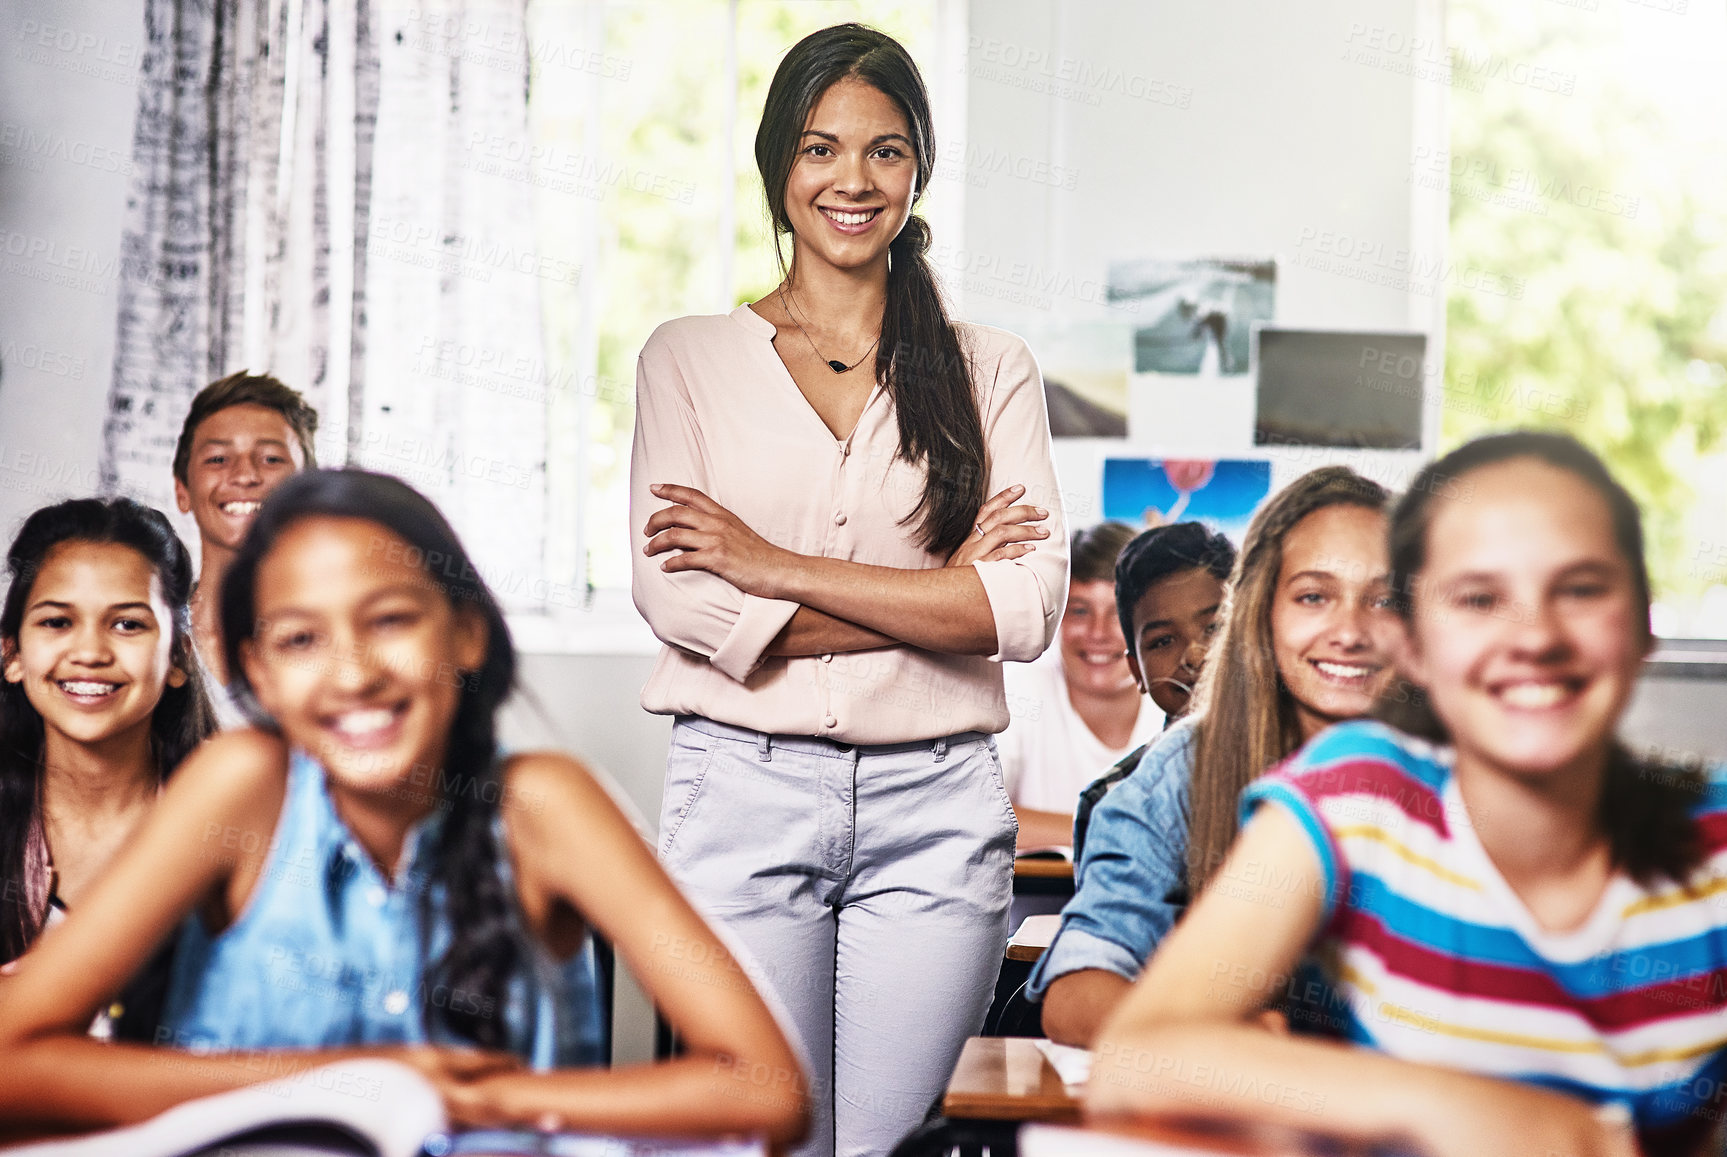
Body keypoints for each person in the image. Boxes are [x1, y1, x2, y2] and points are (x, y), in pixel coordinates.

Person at [0, 470, 806, 1147]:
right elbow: (12, 1056)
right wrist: (350, 1084)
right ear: (259, 670)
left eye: (388, 619)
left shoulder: (543, 806)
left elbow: (766, 1088)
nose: (352, 674)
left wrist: (483, 1098)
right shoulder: (241, 786)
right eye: (299, 639)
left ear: (465, 632)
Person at [630, 23, 1066, 1157]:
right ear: (780, 166)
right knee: (761, 1136)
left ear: (916, 169)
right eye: (821, 149)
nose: (852, 180)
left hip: (936, 809)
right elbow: (682, 605)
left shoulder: (987, 367)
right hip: (741, 790)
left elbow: (1019, 611)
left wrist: (770, 568)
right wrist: (935, 590)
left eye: (884, 151)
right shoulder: (685, 358)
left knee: (894, 1149)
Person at [1091, 432, 1726, 1157]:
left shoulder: (1712, 843)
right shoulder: (1359, 795)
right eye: (1479, 597)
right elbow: (1137, 1055)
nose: (1534, 635)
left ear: (1641, 624)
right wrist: (1482, 1113)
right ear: (1414, 645)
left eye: (1580, 588)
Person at [1032, 468, 1397, 1047]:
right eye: (1313, 597)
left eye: (1383, 598)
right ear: (1261, 615)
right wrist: (1234, 1042)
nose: (1349, 630)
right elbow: (1078, 993)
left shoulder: (1464, 767)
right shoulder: (1182, 769)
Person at [0, 498, 215, 1039]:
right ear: (12, 654)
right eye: (57, 621)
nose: (90, 651)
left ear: (178, 659)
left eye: (126, 624)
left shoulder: (237, 823)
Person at [1067, 521, 1238, 861]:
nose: (1194, 655)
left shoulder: (1305, 773)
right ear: (1137, 672)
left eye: (1214, 628)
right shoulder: (1111, 801)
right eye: (1162, 641)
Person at [997, 521, 1163, 852]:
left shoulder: (1182, 705)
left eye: (1118, 613)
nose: (1098, 633)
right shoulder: (1018, 689)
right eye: (1080, 611)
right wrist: (1107, 827)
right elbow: (981, 817)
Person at [171, 371, 318, 722]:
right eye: (218, 459)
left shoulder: (337, 637)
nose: (245, 475)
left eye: (271, 458)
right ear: (182, 490)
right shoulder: (153, 637)